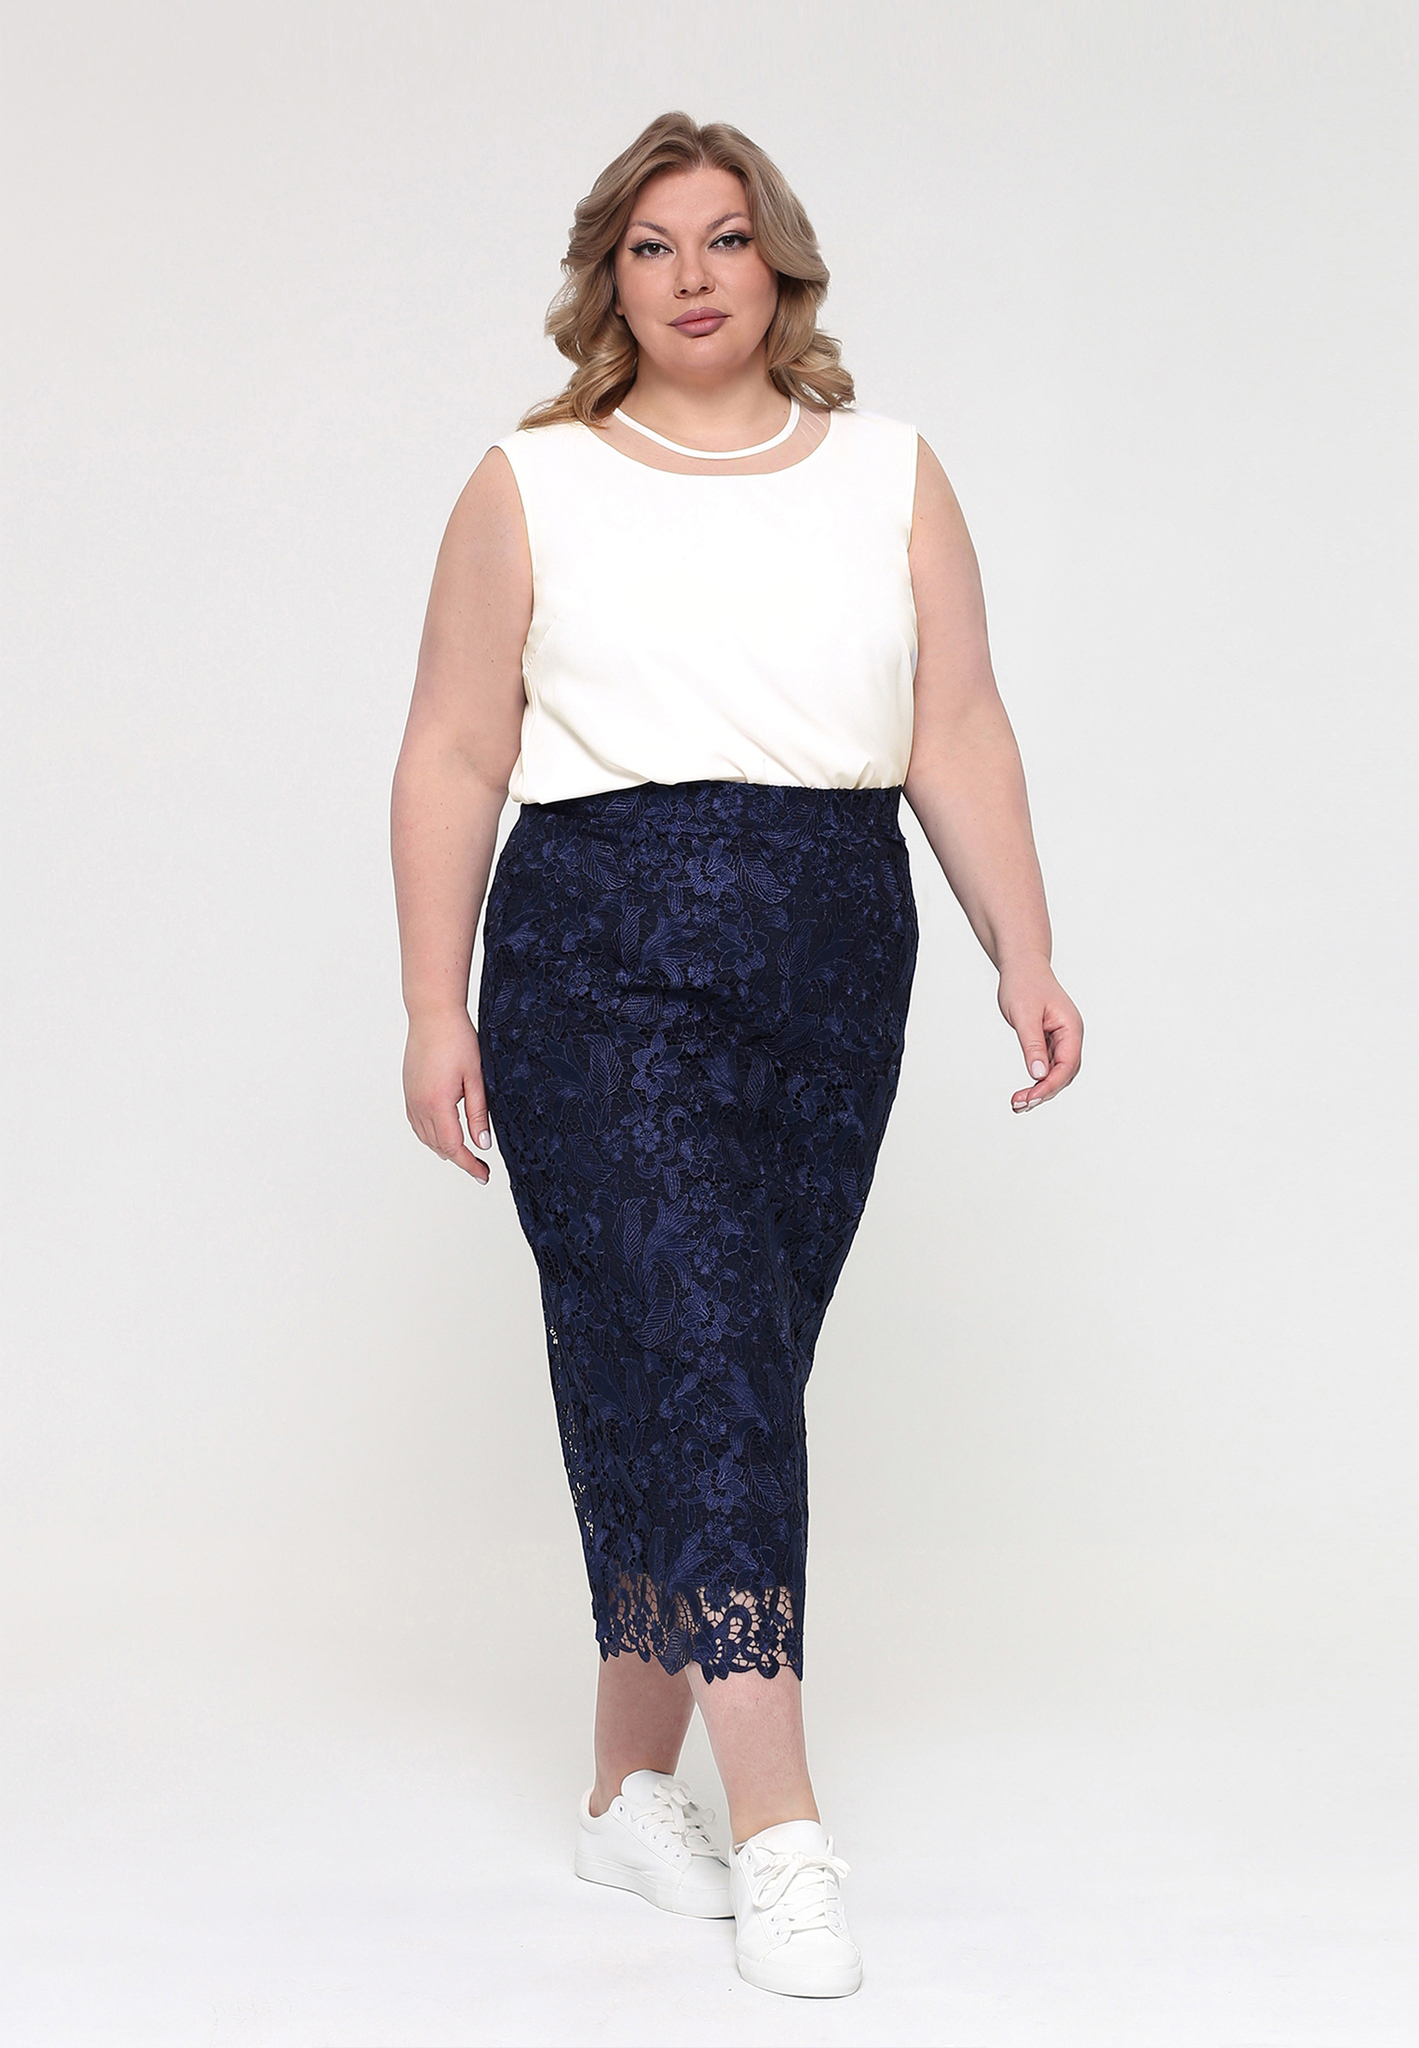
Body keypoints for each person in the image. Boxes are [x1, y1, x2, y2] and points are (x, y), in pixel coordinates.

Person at [390, 110, 1082, 2001]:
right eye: (650, 246)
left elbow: (959, 726)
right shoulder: (529, 484)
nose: (691, 275)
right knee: (700, 1350)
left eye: (722, 237)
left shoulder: (893, 474)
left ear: (779, 260)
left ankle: (630, 1791)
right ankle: (782, 1832)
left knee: (723, 1359)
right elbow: (454, 745)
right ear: (607, 283)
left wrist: (1022, 948)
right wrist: (434, 1001)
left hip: (833, 957)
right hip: (596, 957)